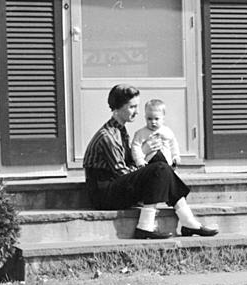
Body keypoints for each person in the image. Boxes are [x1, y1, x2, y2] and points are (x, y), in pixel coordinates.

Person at [83, 85, 218, 240]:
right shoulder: (108, 136)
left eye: (137, 106)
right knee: (159, 168)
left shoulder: (120, 130)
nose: (137, 111)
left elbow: (128, 167)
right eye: (132, 107)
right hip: (104, 195)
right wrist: (146, 156)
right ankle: (166, 224)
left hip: (114, 187)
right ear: (117, 108)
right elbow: (121, 173)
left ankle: (184, 221)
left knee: (160, 164)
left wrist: (148, 160)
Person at [130, 98, 181, 167]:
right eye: (149, 119)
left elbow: (173, 145)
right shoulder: (141, 133)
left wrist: (175, 156)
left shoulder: (167, 131)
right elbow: (136, 147)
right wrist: (139, 160)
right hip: (148, 162)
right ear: (145, 117)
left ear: (163, 119)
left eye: (156, 119)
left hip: (166, 162)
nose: (153, 122)